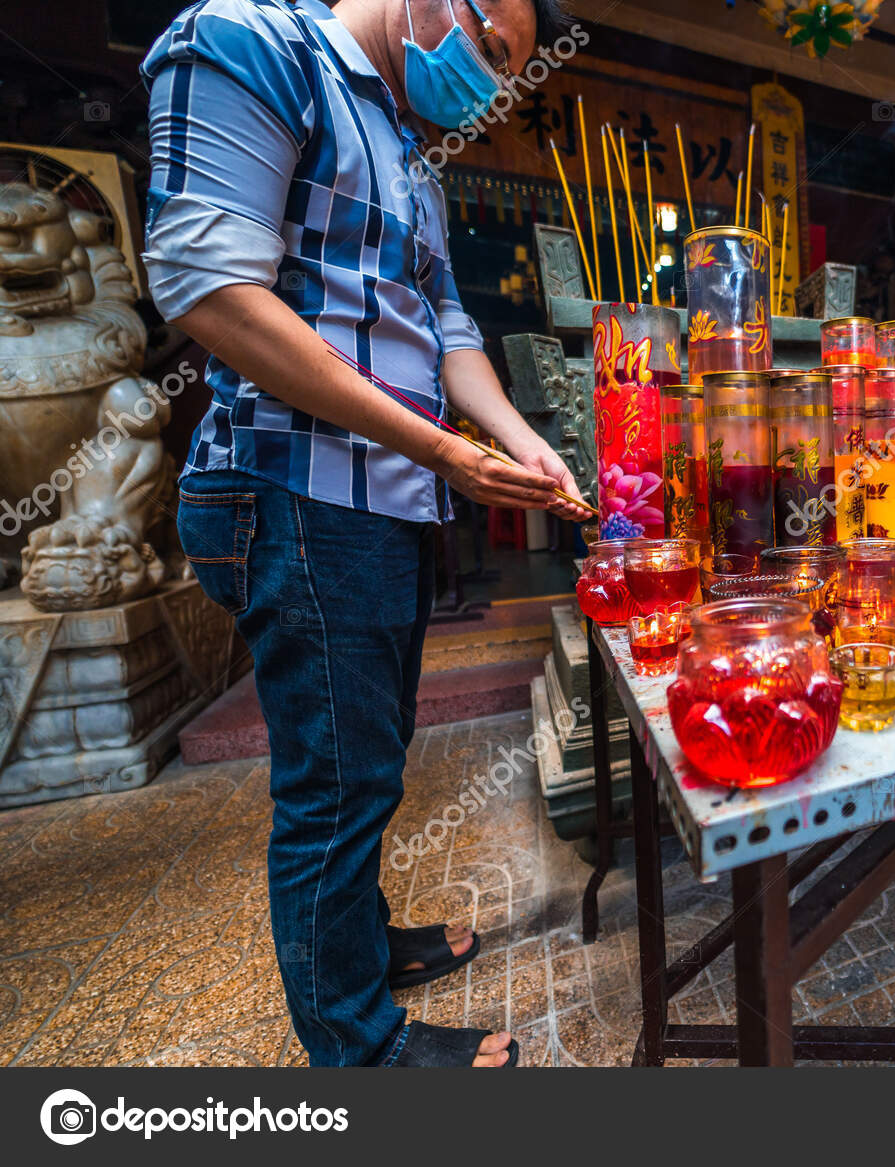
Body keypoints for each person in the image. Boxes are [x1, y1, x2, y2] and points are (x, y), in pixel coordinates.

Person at [143, 0, 581, 1068]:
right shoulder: (249, 41)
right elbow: (210, 286)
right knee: (333, 787)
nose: (491, 81)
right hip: (293, 490)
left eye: (507, 71)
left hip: (382, 499)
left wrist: (524, 441)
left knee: (367, 763)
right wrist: (438, 451)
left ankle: (359, 951)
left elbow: (446, 326)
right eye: (490, 49)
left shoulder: (403, 143)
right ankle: (360, 1053)